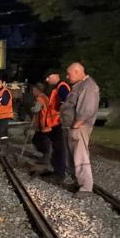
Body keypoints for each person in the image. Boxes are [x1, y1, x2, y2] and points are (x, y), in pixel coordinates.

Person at [60, 62, 100, 198]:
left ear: (77, 71)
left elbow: (88, 108)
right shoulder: (80, 85)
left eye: (69, 74)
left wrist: (77, 124)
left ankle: (86, 187)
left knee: (80, 156)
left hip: (79, 127)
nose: (67, 76)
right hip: (73, 126)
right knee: (72, 157)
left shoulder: (88, 86)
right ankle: (78, 182)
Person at [45, 72, 71, 182]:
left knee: (59, 149)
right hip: (55, 123)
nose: (47, 80)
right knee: (56, 149)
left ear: (56, 76)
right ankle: (57, 171)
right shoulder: (58, 88)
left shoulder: (62, 87)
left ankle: (59, 174)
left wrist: (61, 117)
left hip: (59, 123)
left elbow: (65, 103)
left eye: (49, 77)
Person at [30, 83, 52, 166]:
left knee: (41, 141)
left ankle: (46, 158)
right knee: (37, 140)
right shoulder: (45, 97)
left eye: (33, 90)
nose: (32, 92)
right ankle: (44, 156)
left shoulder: (40, 99)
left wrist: (31, 108)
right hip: (47, 122)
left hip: (43, 124)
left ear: (37, 90)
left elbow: (36, 110)